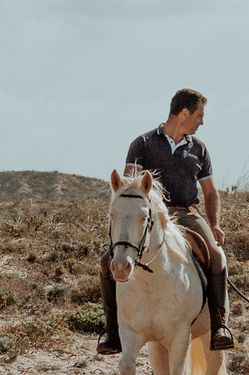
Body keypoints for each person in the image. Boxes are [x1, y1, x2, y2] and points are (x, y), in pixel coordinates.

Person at [99, 88, 236, 355]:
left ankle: (219, 326)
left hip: (187, 214)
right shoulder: (143, 143)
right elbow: (130, 188)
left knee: (217, 257)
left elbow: (210, 191)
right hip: (151, 217)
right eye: (199, 115)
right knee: (107, 260)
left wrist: (215, 223)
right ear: (184, 113)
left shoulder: (199, 149)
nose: (201, 121)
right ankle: (111, 330)